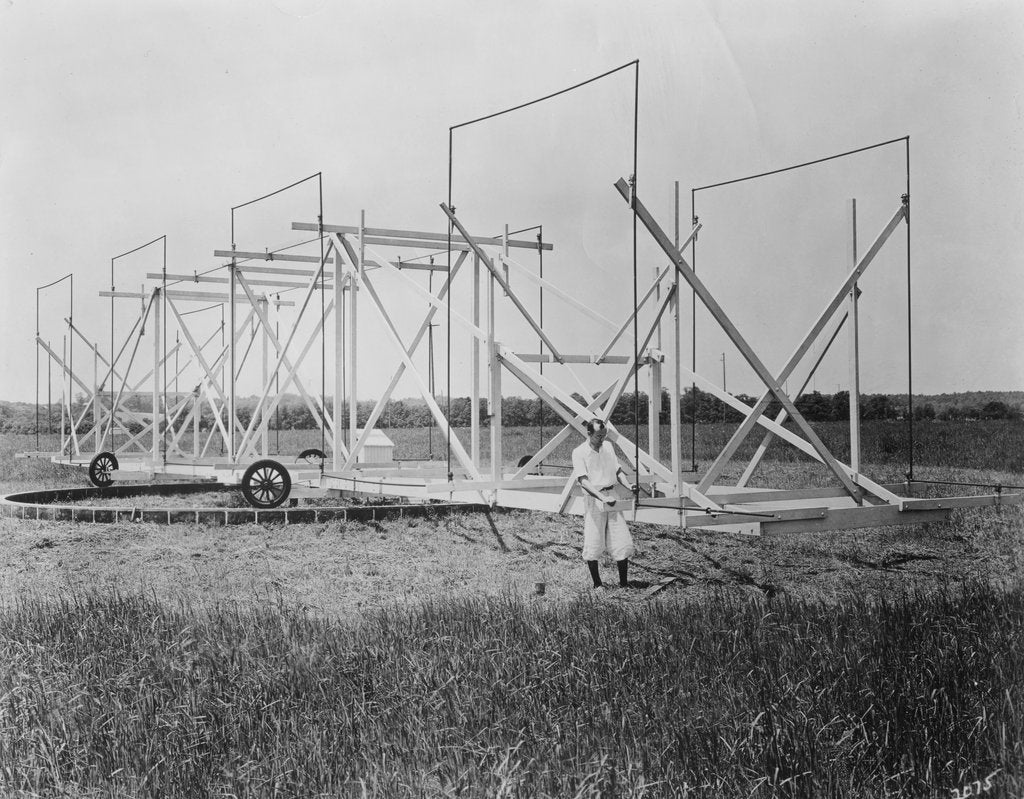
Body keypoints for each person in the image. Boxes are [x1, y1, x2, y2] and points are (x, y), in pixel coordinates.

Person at [571, 418, 637, 589]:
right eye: (598, 436)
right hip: (594, 498)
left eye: (604, 435)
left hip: (612, 496)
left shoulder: (608, 446)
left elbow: (618, 470)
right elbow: (583, 481)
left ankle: (624, 584)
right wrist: (601, 497)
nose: (602, 439)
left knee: (621, 539)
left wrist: (629, 486)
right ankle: (597, 585)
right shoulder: (579, 452)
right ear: (589, 433)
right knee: (593, 540)